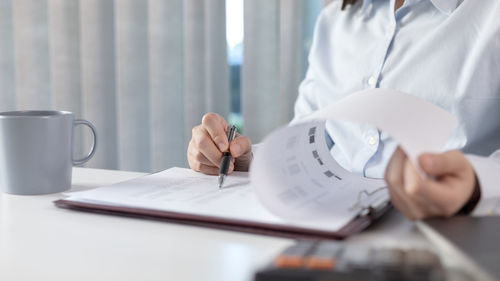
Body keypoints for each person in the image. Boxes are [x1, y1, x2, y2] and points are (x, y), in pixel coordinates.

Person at [187, 0, 500, 219]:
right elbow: (308, 138)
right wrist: (245, 159)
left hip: (448, 233)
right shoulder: (335, 20)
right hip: (323, 228)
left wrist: (475, 184)